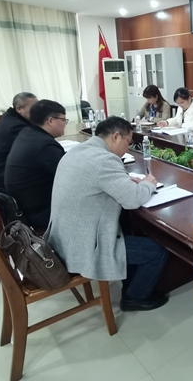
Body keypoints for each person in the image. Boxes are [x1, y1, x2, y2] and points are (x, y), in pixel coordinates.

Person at [46, 116, 169, 312]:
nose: (127, 148)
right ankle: (135, 297)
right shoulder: (105, 160)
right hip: (82, 245)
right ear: (116, 136)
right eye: (128, 142)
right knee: (156, 252)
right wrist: (148, 184)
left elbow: (98, 180)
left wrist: (126, 181)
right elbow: (132, 200)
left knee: (130, 232)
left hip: (62, 238)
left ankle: (130, 286)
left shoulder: (79, 150)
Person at [4, 100, 66, 230]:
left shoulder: (28, 133)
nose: (64, 124)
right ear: (50, 121)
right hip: (39, 213)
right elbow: (71, 175)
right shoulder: (44, 145)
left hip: (26, 207)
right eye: (63, 120)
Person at [0, 92, 38, 190]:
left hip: (3, 175)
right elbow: (34, 149)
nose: (38, 111)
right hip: (3, 183)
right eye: (34, 108)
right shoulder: (16, 126)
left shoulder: (10, 117)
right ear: (19, 109)